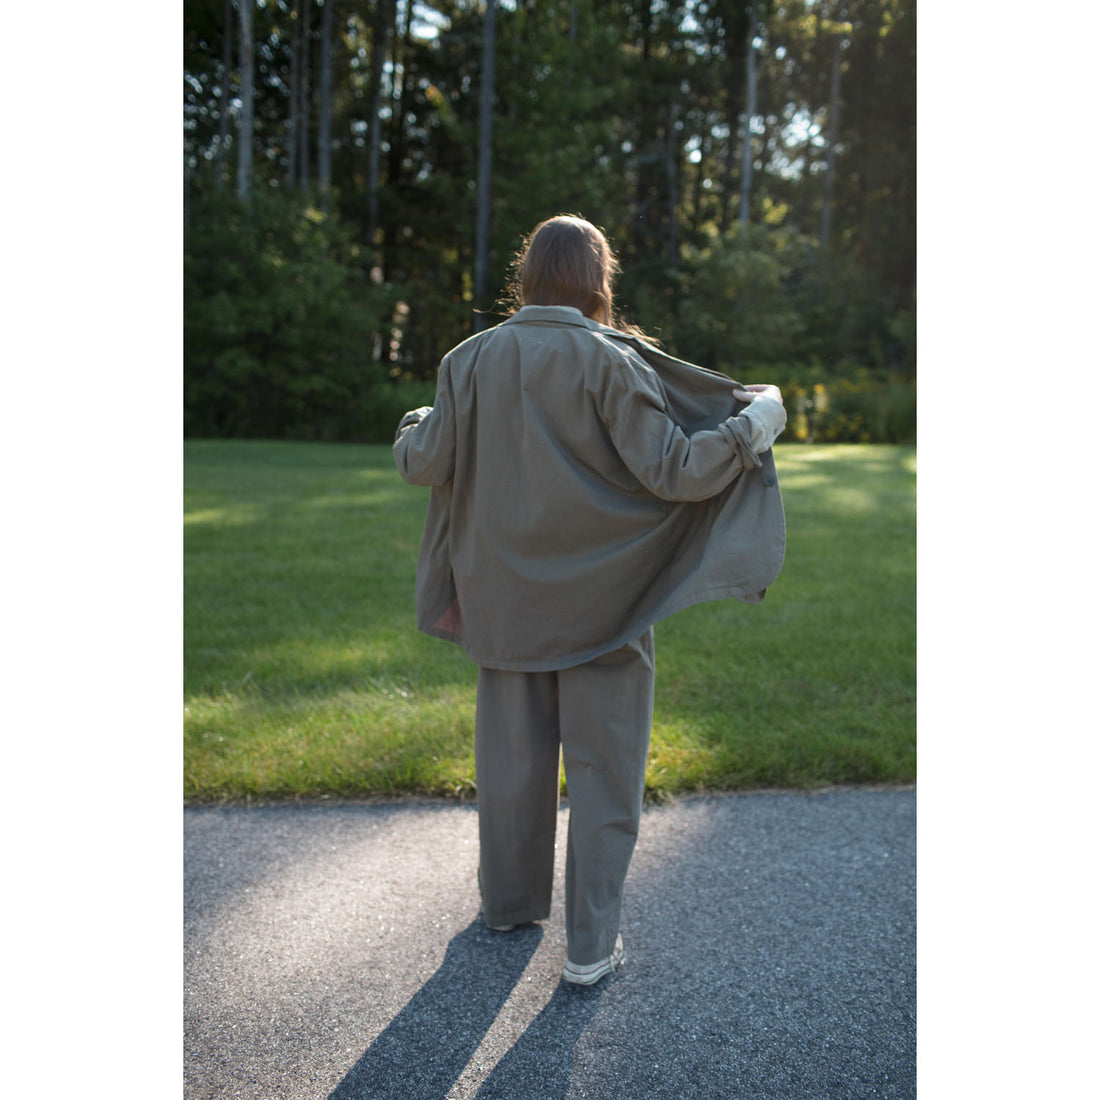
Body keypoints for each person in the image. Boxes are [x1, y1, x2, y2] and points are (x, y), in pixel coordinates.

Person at [393, 214, 786, 985]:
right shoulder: (613, 361)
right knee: (606, 775)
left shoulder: (466, 360)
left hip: (502, 602)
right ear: (599, 280)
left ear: (527, 275)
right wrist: (752, 429)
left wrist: (413, 421)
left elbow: (421, 461)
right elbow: (673, 471)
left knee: (510, 766)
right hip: (607, 604)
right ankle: (589, 947)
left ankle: (507, 907)